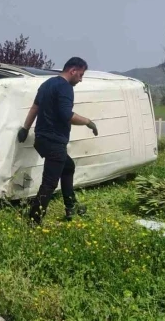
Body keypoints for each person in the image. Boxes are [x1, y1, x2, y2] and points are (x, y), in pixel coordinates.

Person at [17, 57, 98, 225]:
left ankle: (71, 206)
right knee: (49, 182)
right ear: (73, 70)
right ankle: (34, 219)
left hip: (41, 140)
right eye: (81, 75)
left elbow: (35, 108)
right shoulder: (65, 88)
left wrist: (25, 128)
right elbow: (67, 115)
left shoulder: (47, 84)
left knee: (68, 167)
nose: (81, 79)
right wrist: (88, 122)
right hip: (54, 142)